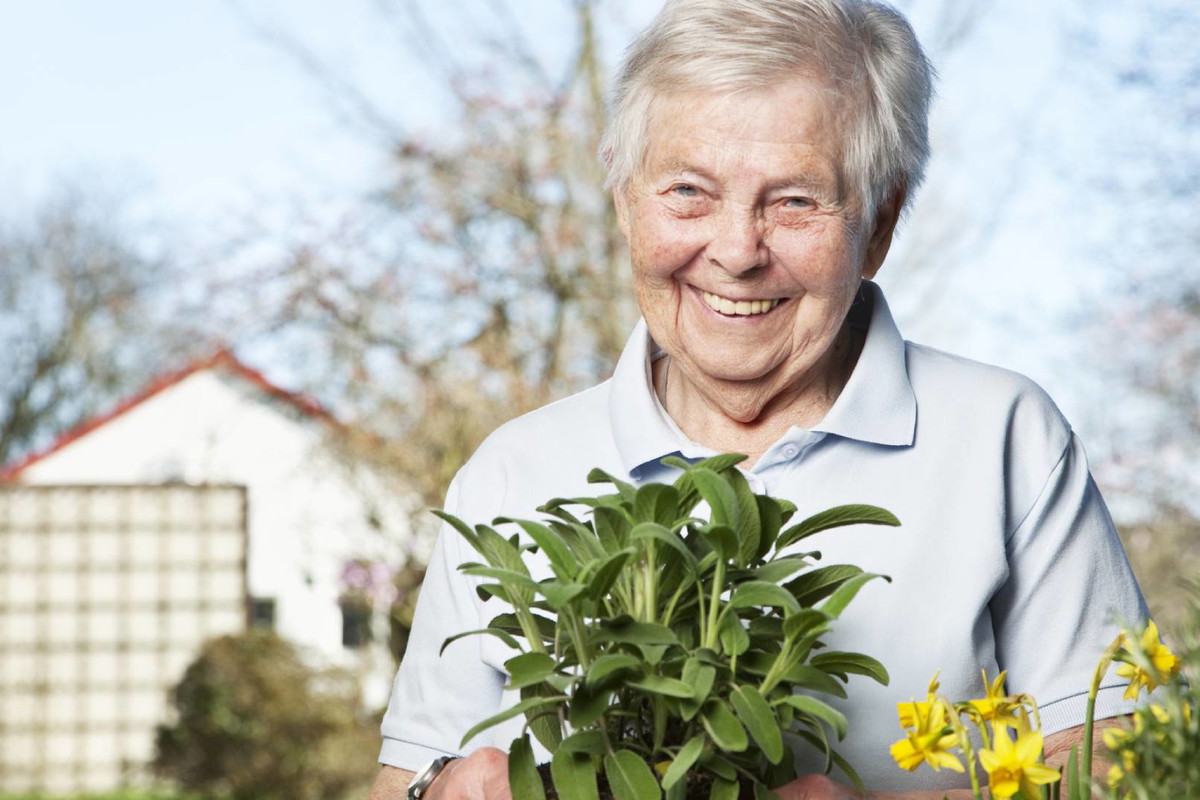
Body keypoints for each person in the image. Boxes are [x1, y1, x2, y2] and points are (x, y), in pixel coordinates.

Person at [367, 1, 1147, 798]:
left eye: (796, 201)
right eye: (688, 192)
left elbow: (1123, 771)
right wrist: (443, 789)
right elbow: (407, 775)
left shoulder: (1005, 439)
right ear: (624, 201)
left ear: (877, 225)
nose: (737, 252)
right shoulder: (511, 471)